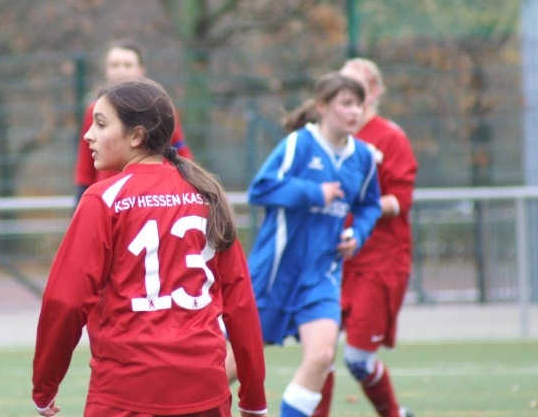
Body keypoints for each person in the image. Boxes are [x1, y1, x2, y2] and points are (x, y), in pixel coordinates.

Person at [32, 78, 268, 417]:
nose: (88, 135)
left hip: (125, 394)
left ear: (137, 136)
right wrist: (254, 397)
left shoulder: (103, 199)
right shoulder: (207, 194)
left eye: (101, 124)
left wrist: (44, 386)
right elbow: (240, 302)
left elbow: (65, 301)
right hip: (206, 392)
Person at [226, 72, 382, 417]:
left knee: (322, 356)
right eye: (346, 103)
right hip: (274, 273)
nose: (354, 111)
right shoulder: (299, 144)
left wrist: (358, 234)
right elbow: (260, 189)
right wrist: (313, 192)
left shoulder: (363, 157)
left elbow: (370, 205)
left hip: (321, 275)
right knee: (234, 366)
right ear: (322, 107)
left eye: (359, 104)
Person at [315, 58, 418, 417]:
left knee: (358, 359)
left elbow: (401, 199)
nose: (346, 96)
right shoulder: (323, 138)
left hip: (379, 261)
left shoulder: (390, 137)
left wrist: (364, 208)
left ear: (372, 92)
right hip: (334, 259)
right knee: (320, 351)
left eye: (354, 87)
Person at [73, 39, 193, 203]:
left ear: (141, 70)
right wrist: (81, 195)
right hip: (108, 199)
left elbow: (180, 152)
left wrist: (186, 185)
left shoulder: (161, 108)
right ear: (106, 70)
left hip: (150, 196)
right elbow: (85, 162)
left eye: (127, 65)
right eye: (115, 65)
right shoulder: (94, 110)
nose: (121, 70)